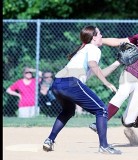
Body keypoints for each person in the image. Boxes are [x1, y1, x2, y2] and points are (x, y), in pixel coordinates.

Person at [42, 25, 122, 154]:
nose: (102, 36)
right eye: (100, 34)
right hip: (71, 83)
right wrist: (107, 84)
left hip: (57, 83)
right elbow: (93, 65)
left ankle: (49, 140)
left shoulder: (84, 50)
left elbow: (99, 72)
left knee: (68, 111)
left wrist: (118, 62)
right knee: (101, 110)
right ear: (94, 37)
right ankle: (104, 146)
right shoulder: (93, 48)